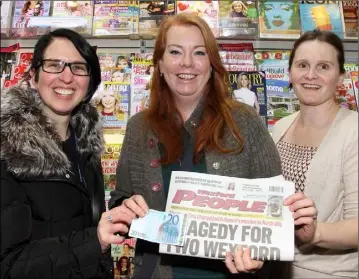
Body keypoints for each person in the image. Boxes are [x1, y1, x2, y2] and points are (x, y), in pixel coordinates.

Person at [109, 13, 316, 279]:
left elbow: (275, 210)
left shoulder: (245, 122)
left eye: (199, 52)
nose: (187, 63)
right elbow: (120, 199)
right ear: (159, 63)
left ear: (211, 63)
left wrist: (259, 256)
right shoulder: (139, 127)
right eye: (174, 51)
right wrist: (127, 207)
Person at [0, 28, 136, 278]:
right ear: (33, 75)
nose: (66, 77)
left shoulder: (86, 145)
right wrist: (93, 240)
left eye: (78, 67)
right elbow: (7, 265)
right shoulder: (7, 149)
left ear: (90, 82)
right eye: (54, 65)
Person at [271, 30, 358, 278]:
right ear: (290, 73)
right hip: (277, 268)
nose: (311, 75)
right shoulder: (280, 127)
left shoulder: (353, 131)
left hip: (330, 273)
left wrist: (315, 232)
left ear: (340, 77)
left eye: (323, 66)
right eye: (302, 65)